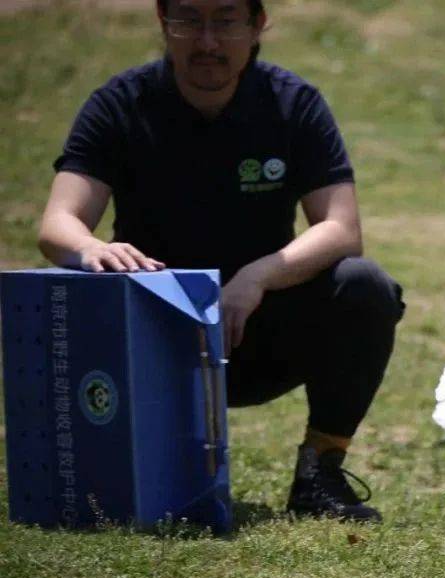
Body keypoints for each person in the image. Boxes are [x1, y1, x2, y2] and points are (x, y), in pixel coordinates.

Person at [36, 0, 404, 523]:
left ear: (258, 26)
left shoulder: (292, 104)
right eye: (189, 21)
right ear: (164, 23)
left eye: (227, 21)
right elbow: (57, 224)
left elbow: (342, 229)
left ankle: (319, 473)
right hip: (150, 342)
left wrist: (258, 275)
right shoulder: (120, 104)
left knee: (365, 286)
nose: (207, 42)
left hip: (254, 333)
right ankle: (116, 467)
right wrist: (90, 248)